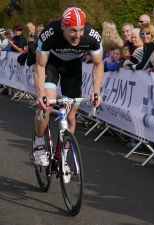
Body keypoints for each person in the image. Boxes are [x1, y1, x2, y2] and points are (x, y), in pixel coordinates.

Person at [32, 7, 103, 167]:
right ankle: (38, 144)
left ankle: (63, 157)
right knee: (47, 105)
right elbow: (40, 66)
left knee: (71, 117)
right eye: (72, 31)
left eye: (80, 30)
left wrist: (96, 91)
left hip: (73, 68)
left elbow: (98, 64)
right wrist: (40, 94)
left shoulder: (92, 35)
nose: (77, 35)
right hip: (51, 65)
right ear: (63, 26)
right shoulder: (50, 32)